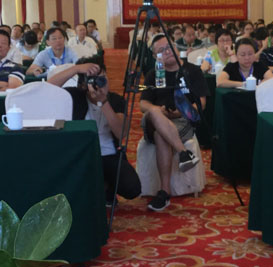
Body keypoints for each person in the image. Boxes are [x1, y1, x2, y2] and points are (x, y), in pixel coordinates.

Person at [47, 55, 141, 202]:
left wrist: (103, 102)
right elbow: (47, 88)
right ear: (83, 84)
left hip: (108, 154)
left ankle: (106, 186)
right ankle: (101, 187)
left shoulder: (115, 100)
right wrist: (76, 69)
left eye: (102, 78)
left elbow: (121, 133)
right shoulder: (75, 96)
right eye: (93, 79)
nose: (100, 83)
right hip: (82, 155)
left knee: (132, 188)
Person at [140, 34, 209, 211]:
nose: (167, 52)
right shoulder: (153, 74)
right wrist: (158, 111)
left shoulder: (192, 71)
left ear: (177, 48)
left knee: (160, 134)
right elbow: (143, 103)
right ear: (155, 56)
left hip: (182, 119)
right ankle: (183, 152)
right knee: (154, 112)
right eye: (161, 50)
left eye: (169, 47)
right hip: (154, 119)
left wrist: (180, 112)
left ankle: (164, 193)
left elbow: (201, 103)